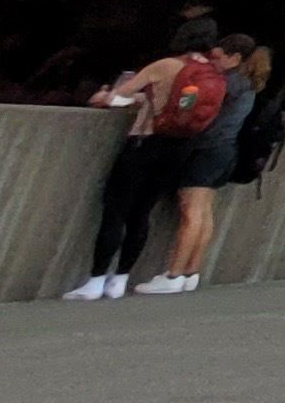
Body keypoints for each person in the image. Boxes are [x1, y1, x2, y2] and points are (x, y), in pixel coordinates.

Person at [66, 19, 229, 303]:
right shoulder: (210, 73)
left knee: (116, 211)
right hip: (179, 147)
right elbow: (181, 107)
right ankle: (121, 278)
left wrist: (104, 96)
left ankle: (95, 281)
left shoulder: (164, 65)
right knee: (142, 213)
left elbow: (118, 96)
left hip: (145, 143)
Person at [142, 35, 268, 296]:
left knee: (191, 212)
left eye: (218, 56)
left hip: (205, 149)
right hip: (225, 151)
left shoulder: (223, 83)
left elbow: (189, 100)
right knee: (204, 211)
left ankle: (174, 273)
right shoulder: (246, 84)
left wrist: (181, 99)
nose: (214, 61)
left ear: (234, 58)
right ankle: (191, 271)